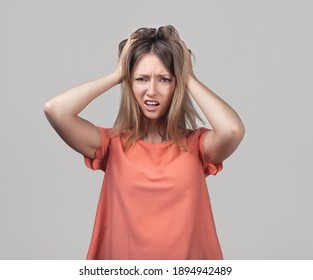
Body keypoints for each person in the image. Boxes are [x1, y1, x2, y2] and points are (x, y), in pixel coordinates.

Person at [44, 25, 245, 260]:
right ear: (130, 84)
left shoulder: (197, 146)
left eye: (164, 79)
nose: (152, 91)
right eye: (141, 79)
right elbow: (55, 109)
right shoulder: (112, 144)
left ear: (176, 85)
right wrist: (118, 74)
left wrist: (188, 77)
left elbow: (232, 129)